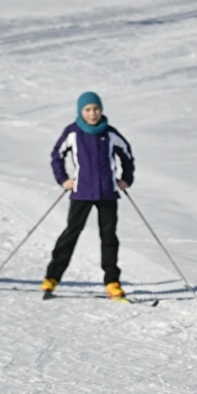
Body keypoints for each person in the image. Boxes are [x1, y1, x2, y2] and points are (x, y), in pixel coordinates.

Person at [43, 91, 134, 301]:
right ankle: (52, 277)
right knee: (71, 233)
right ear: (80, 111)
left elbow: (127, 155)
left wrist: (125, 179)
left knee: (109, 237)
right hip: (82, 192)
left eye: (96, 109)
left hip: (107, 193)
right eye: (88, 110)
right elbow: (57, 155)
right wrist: (63, 179)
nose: (92, 114)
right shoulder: (73, 132)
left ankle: (112, 282)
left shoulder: (110, 133)